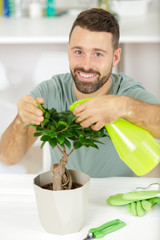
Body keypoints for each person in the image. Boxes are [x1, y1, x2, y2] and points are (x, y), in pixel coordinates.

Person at [0, 8, 160, 177]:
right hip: (66, 193)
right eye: (78, 52)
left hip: (118, 196)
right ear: (68, 51)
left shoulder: (128, 93)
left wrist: (123, 107)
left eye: (98, 54)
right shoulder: (50, 92)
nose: (86, 64)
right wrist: (20, 121)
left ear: (115, 57)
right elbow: (7, 158)